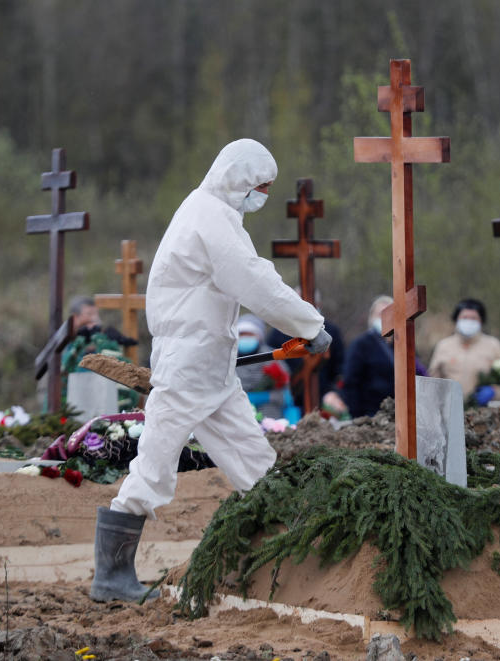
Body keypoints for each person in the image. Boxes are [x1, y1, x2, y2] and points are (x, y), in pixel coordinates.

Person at [90, 139, 331, 603]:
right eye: (259, 186)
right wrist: (310, 324)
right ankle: (112, 576)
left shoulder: (214, 213)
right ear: (239, 177)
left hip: (211, 368)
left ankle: (285, 559)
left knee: (254, 461)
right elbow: (253, 279)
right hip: (188, 368)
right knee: (154, 467)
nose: (261, 195)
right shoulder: (210, 217)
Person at [428, 298, 500, 405]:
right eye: (465, 317)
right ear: (456, 319)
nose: (469, 322)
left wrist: (495, 392)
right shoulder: (444, 346)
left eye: (474, 318)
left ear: (481, 320)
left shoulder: (493, 346)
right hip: (449, 409)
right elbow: (431, 381)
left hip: (484, 413)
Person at [235, 314, 298, 421]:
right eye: (241, 334)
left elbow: (285, 395)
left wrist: (267, 397)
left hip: (270, 415)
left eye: (249, 334)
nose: (245, 338)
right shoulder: (227, 360)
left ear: (259, 336)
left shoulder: (273, 358)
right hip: (236, 413)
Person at [341, 296, 396, 418]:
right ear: (371, 317)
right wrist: (358, 416)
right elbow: (351, 382)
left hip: (398, 413)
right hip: (371, 414)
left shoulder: (402, 345)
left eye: (388, 313)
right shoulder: (361, 345)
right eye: (380, 314)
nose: (384, 318)